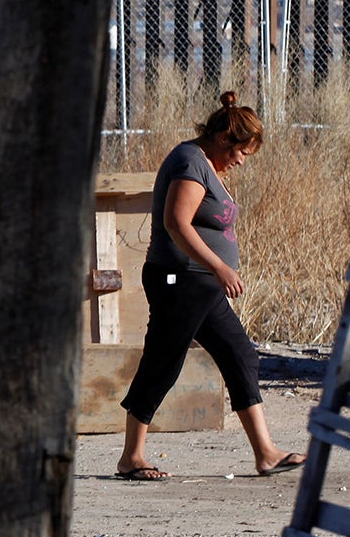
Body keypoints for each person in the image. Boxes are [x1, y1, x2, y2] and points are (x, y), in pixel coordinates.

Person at [114, 91, 306, 481]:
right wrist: (219, 266)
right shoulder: (190, 162)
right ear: (223, 139)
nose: (240, 161)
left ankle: (265, 453)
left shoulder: (206, 165)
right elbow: (176, 222)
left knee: (240, 356)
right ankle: (131, 456)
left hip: (200, 286)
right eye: (241, 153)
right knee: (163, 362)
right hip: (179, 280)